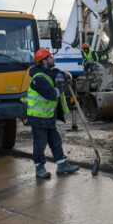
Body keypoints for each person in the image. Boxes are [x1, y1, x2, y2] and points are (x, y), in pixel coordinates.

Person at [26, 48, 80, 179]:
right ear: (44, 61)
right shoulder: (38, 79)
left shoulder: (48, 72)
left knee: (55, 141)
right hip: (38, 118)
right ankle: (39, 168)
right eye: (50, 57)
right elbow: (51, 95)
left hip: (48, 116)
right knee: (40, 144)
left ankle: (62, 165)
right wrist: (61, 87)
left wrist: (64, 75)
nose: (52, 59)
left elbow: (55, 73)